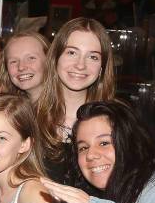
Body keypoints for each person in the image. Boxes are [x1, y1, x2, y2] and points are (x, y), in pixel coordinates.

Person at [35, 17, 115, 183]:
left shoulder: (118, 122)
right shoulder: (28, 118)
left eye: (92, 57)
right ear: (55, 57)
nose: (80, 65)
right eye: (72, 53)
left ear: (102, 67)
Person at [1, 31, 50, 103]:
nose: (21, 67)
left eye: (31, 58)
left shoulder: (67, 109)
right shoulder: (14, 108)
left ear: (49, 60)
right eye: (14, 61)